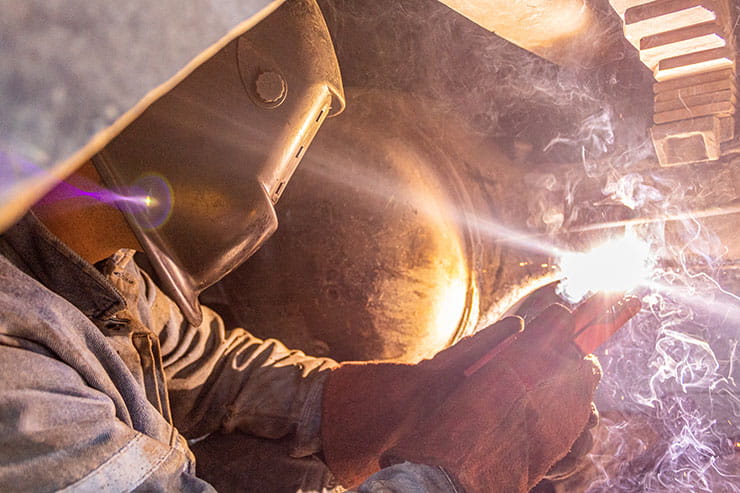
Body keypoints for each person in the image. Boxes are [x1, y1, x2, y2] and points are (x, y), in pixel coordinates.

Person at [0, 1, 601, 491]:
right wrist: (457, 474)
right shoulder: (16, 379)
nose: (276, 187)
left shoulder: (88, 259)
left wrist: (392, 398)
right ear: (183, 113)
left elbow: (208, 369)